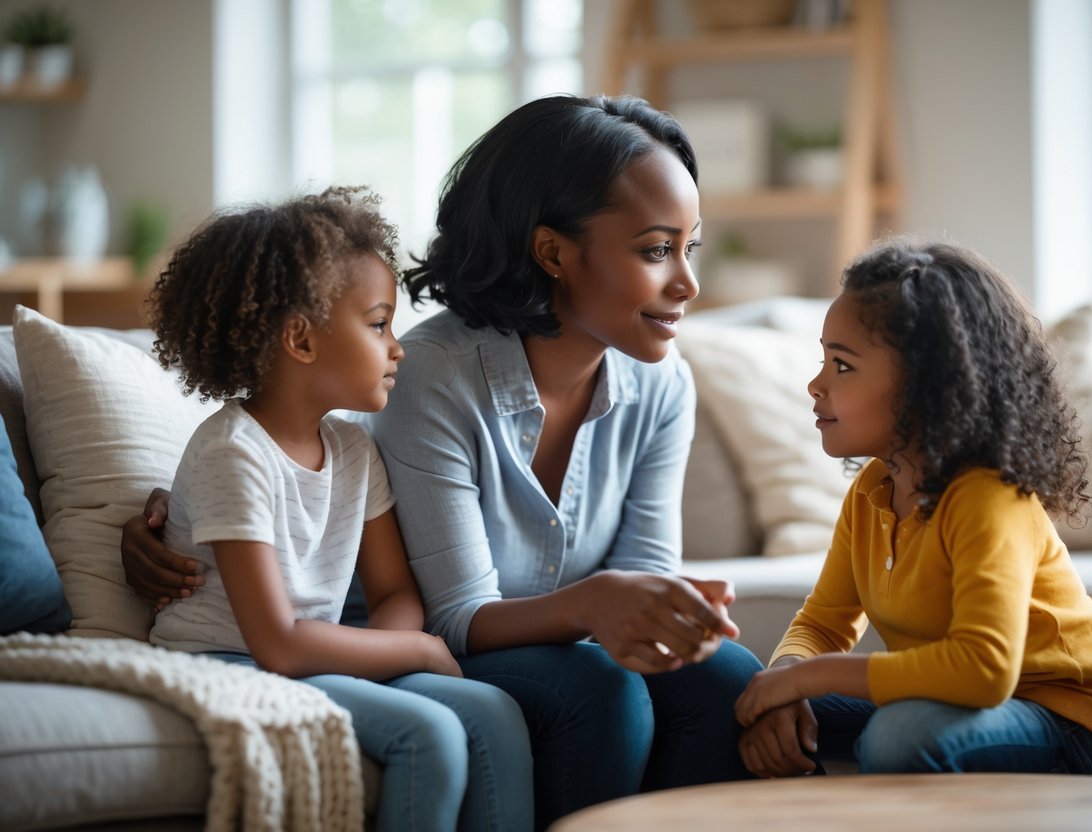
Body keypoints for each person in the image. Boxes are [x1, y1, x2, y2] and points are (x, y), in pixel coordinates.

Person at [123, 95, 763, 829]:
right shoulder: (434, 372)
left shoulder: (663, 380)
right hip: (454, 640)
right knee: (598, 686)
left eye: (692, 248)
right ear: (552, 251)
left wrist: (669, 614)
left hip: (498, 639)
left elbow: (647, 576)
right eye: (656, 250)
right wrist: (593, 604)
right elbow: (451, 615)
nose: (687, 283)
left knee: (729, 678)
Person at [142, 186, 533, 832]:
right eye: (378, 324)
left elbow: (393, 591)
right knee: (428, 734)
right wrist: (412, 651)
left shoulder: (352, 448)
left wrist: (394, 647)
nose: (397, 346)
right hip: (224, 661)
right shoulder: (231, 453)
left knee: (494, 712)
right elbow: (275, 641)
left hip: (306, 657)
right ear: (300, 338)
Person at [733, 237, 1092, 777]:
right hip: (943, 702)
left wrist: (813, 677)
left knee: (899, 737)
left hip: (1053, 714)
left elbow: (983, 672)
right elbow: (824, 624)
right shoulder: (874, 491)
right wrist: (785, 683)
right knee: (744, 707)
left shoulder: (988, 496)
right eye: (823, 361)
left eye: (842, 366)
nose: (815, 384)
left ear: (928, 387)